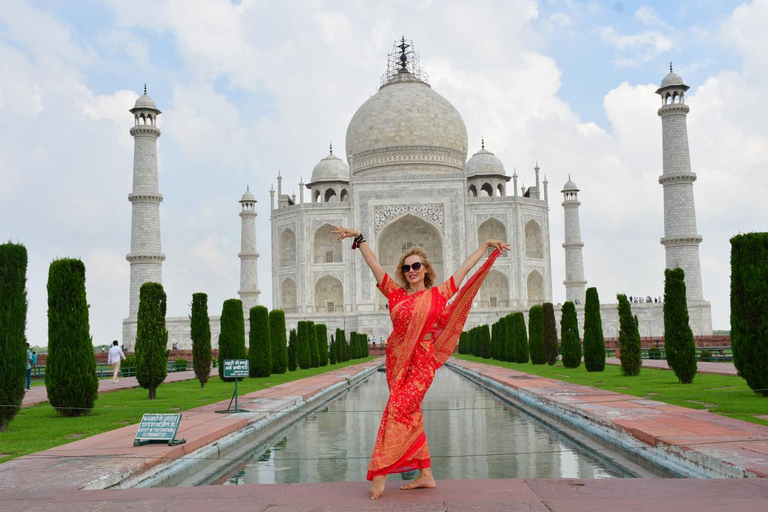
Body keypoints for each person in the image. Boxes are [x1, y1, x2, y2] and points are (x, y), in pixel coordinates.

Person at [333, 225, 508, 500]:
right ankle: (426, 475)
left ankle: (380, 473)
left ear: (426, 269)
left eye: (416, 266)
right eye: (406, 268)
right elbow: (373, 263)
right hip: (398, 361)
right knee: (410, 413)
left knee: (398, 408)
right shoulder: (395, 294)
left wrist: (485, 245)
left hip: (422, 362)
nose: (411, 271)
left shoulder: (439, 294)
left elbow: (465, 268)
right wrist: (359, 238)